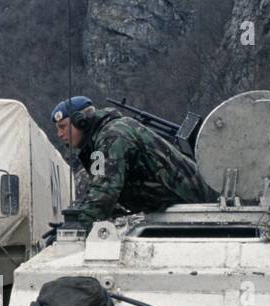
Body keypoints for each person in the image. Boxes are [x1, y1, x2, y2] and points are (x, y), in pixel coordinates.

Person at [52, 96, 213, 227]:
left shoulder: (113, 135)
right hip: (175, 204)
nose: (59, 134)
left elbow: (105, 190)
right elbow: (100, 190)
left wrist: (78, 226)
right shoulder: (102, 139)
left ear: (81, 121)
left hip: (194, 203)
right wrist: (77, 218)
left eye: (63, 126)